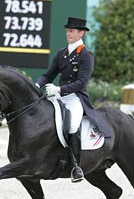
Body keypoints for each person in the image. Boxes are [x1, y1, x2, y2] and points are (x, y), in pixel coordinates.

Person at [36, 17, 110, 183]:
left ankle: (76, 166)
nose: (68, 33)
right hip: (58, 96)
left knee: (72, 125)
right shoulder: (62, 53)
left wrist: (60, 89)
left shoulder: (86, 55)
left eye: (71, 31)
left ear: (81, 33)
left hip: (75, 98)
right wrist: (35, 84)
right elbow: (48, 75)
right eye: (67, 31)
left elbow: (81, 83)